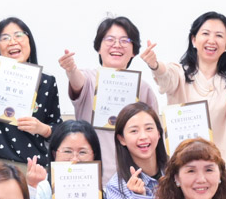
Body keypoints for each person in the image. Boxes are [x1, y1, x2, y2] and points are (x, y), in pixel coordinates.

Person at [146, 10, 226, 184]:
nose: (211, 40)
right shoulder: (179, 73)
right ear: (194, 40)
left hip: (219, 167)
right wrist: (155, 65)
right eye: (205, 33)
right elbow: (165, 76)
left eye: (219, 35)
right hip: (182, 165)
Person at [0, 15, 61, 169]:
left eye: (18, 35)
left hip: (32, 167)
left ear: (29, 41)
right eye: (5, 38)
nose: (12, 42)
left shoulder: (47, 82)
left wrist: (43, 129)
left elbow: (58, 129)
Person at [65, 16, 159, 182]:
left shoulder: (143, 88)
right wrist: (71, 69)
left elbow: (155, 136)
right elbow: (77, 81)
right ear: (98, 47)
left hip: (132, 180)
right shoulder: (88, 79)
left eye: (125, 40)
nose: (117, 45)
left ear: (134, 51)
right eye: (110, 39)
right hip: (90, 177)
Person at [25, 119, 102, 199]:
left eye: (82, 152)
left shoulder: (101, 191)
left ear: (94, 155)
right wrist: (31, 187)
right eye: (67, 151)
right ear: (54, 154)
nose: (74, 159)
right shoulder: (41, 187)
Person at [103, 102, 168, 199]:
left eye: (149, 128)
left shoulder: (176, 174)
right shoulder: (116, 187)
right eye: (134, 131)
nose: (143, 136)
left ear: (159, 133)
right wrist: (139, 198)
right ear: (122, 139)